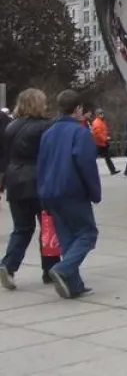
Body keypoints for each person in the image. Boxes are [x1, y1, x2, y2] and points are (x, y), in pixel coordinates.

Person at [37, 90, 102, 299]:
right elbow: (86, 165)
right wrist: (95, 192)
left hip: (51, 192)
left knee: (66, 238)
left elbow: (41, 166)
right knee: (87, 234)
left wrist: (42, 195)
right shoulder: (80, 133)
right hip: (72, 191)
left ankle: (73, 285)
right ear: (78, 109)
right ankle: (63, 269)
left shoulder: (48, 133)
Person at [0, 88, 58, 290]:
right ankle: (50, 269)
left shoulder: (10, 127)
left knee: (22, 228)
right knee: (48, 227)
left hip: (15, 181)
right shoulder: (46, 126)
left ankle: (8, 265)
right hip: (39, 180)